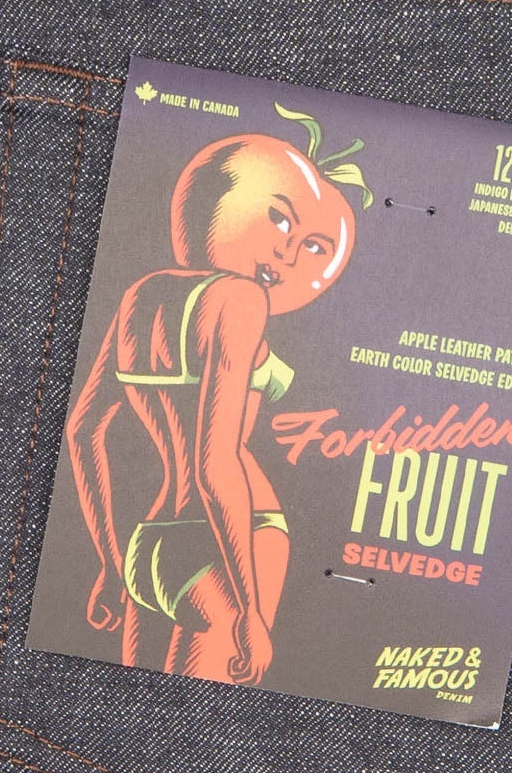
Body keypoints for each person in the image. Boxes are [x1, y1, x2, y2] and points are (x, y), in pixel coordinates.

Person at [64, 105, 369, 685]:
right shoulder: (239, 300)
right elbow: (215, 464)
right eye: (279, 220)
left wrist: (109, 560)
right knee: (202, 725)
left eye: (314, 246)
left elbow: (83, 430)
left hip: (149, 542)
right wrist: (250, 611)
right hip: (231, 540)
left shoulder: (141, 295)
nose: (288, 254)